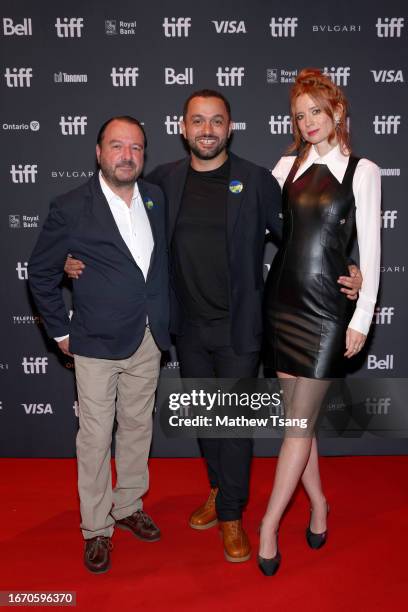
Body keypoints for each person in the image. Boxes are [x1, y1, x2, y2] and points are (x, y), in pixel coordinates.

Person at [64, 90, 362, 564]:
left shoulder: (258, 181)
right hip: (186, 326)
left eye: (216, 121)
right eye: (198, 121)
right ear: (183, 129)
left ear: (230, 128)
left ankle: (231, 514)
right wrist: (73, 257)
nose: (207, 129)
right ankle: (219, 489)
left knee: (233, 426)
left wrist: (352, 264)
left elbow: (304, 235)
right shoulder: (162, 182)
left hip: (241, 327)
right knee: (206, 421)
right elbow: (113, 224)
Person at [28, 116, 170, 573]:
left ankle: (128, 505)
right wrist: (62, 333)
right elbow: (41, 274)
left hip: (147, 337)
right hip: (93, 341)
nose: (127, 156)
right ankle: (95, 528)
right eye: (117, 146)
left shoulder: (155, 198)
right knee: (94, 438)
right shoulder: (70, 206)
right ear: (98, 152)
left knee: (136, 427)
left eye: (136, 148)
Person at [258, 69, 381, 576]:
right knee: (298, 425)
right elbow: (261, 229)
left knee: (296, 427)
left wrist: (362, 312)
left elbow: (370, 250)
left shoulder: (361, 170)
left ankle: (267, 527)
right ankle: (321, 504)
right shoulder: (284, 165)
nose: (308, 122)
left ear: (338, 113)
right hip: (281, 304)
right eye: (300, 114)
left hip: (327, 313)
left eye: (317, 111)